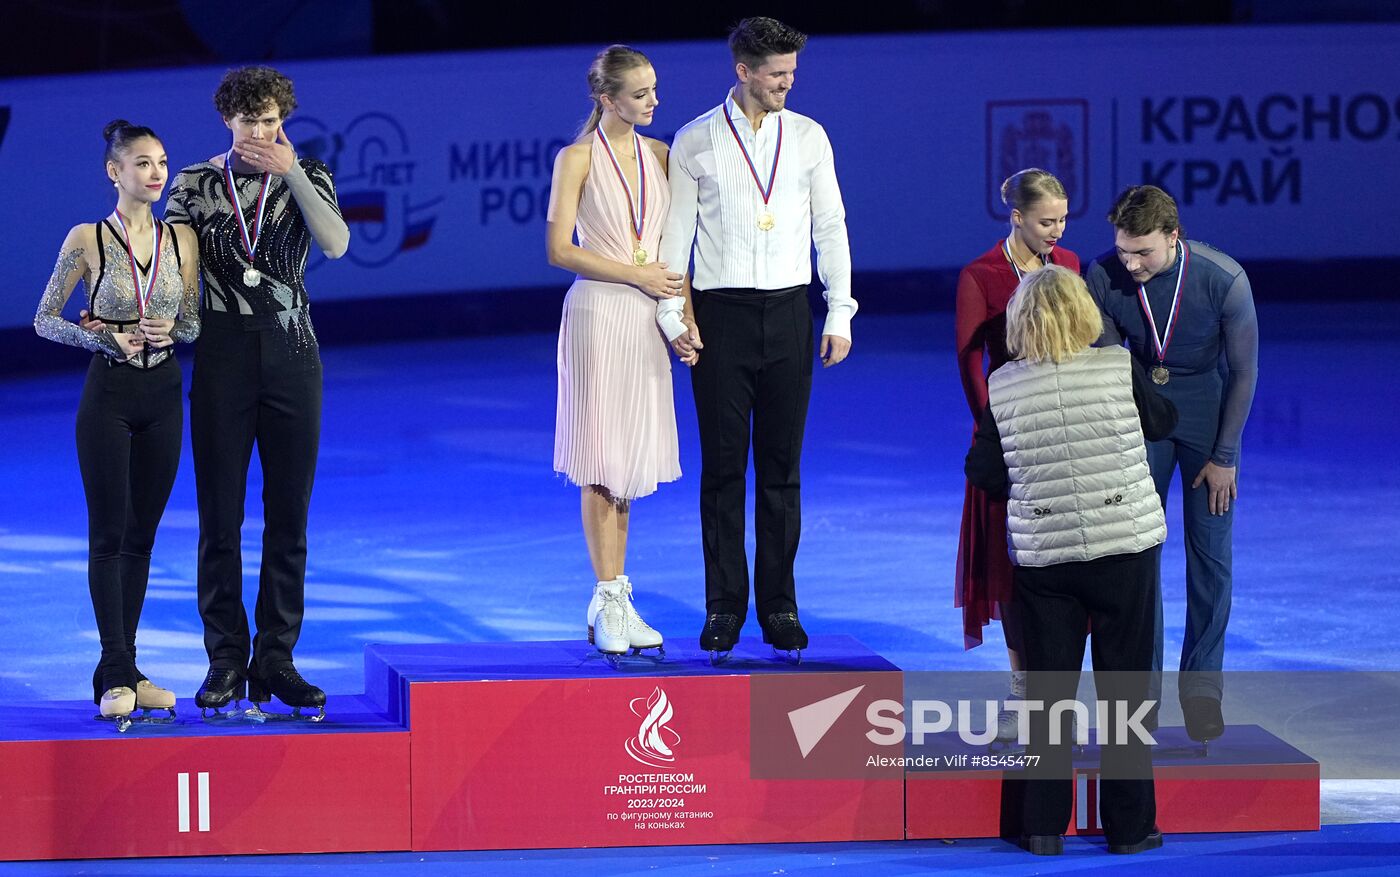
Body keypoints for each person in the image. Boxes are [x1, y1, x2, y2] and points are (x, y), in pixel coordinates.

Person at [658, 16, 855, 661]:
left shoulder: (809, 137)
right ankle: (723, 607)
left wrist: (838, 312)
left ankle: (779, 605)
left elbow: (830, 224)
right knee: (722, 471)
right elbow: (674, 240)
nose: (786, 85)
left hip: (791, 313)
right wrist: (672, 315)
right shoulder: (695, 141)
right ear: (743, 71)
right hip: (720, 318)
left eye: (792, 74)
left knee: (780, 470)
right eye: (776, 75)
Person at [965, 265, 1176, 856]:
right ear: (1084, 312)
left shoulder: (1003, 385)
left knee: (1049, 695)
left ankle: (1041, 826)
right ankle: (1131, 830)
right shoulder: (1117, 365)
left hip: (1046, 560)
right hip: (1124, 550)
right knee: (1126, 694)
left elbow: (982, 472)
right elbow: (1163, 422)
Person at [165, 66, 349, 719]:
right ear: (227, 122)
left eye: (273, 122)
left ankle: (276, 657)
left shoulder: (311, 174)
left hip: (294, 352)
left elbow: (335, 241)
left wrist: (292, 169)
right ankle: (225, 658)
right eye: (251, 124)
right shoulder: (193, 184)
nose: (263, 134)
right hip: (221, 354)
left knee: (288, 515)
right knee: (220, 517)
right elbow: (177, 275)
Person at [35, 120, 200, 726]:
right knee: (108, 536)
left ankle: (127, 669)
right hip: (108, 397)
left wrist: (171, 331)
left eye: (161, 162)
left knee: (143, 538)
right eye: (142, 163)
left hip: (164, 393)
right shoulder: (88, 238)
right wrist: (97, 340)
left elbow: (191, 323)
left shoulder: (182, 240)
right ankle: (113, 668)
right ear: (115, 172)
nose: (156, 172)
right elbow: (45, 318)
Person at [1085, 185, 1258, 743]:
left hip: (1208, 427)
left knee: (1211, 556)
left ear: (1173, 238)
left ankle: (1203, 692)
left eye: (1144, 253)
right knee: (1138, 559)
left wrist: (1225, 456)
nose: (1131, 264)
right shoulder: (1103, 275)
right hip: (1140, 420)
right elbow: (1110, 365)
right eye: (1124, 250)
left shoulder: (1223, 278)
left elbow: (1244, 373)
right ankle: (1140, 701)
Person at [546, 45, 684, 659]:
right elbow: (559, 250)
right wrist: (636, 277)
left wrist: (683, 318)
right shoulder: (575, 159)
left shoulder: (661, 155)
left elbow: (673, 252)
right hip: (600, 313)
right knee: (602, 461)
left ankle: (619, 594)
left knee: (629, 463)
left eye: (654, 90)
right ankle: (604, 596)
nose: (654, 101)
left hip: (646, 317)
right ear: (607, 99)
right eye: (640, 94)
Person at [954, 168, 1076, 741]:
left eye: (1062, 220)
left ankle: (1060, 694)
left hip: (1066, 435)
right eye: (1046, 221)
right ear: (1017, 217)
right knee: (1011, 567)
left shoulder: (1070, 267)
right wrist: (991, 427)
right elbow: (967, 358)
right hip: (1008, 436)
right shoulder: (981, 275)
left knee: (1065, 562)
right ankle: (1024, 694)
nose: (1056, 230)